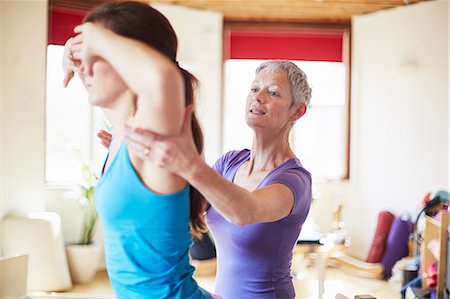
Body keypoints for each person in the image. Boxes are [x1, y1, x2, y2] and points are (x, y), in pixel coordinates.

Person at [62, 2, 215, 298]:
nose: (85, 67)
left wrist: (96, 36)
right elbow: (103, 81)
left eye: (97, 55)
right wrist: (78, 52)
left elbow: (162, 76)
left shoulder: (154, 133)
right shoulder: (125, 129)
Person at [124, 60, 313, 298]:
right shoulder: (229, 163)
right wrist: (137, 153)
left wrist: (188, 162)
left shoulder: (295, 180)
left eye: (273, 92)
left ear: (297, 110)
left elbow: (245, 211)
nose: (259, 97)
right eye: (254, 89)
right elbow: (187, 209)